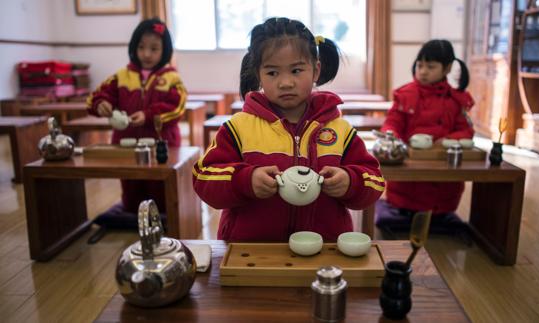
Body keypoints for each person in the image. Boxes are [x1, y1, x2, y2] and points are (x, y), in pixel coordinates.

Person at [193, 17, 385, 242]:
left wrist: (350, 181)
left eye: (296, 70)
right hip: (250, 252)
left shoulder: (339, 130)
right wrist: (245, 180)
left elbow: (375, 180)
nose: (285, 83)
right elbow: (203, 178)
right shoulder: (239, 127)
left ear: (316, 71)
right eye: (272, 73)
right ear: (258, 75)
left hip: (324, 250)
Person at [87, 18, 187, 214]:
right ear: (134, 47)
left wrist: (149, 115)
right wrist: (101, 104)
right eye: (141, 47)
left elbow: (178, 107)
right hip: (125, 146)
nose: (147, 54)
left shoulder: (171, 78)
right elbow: (95, 97)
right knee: (131, 190)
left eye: (154, 48)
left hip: (161, 145)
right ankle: (132, 216)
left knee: (160, 192)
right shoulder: (121, 76)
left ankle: (162, 221)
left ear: (164, 51)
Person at [376, 39, 474, 234]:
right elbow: (393, 121)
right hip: (410, 167)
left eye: (431, 67)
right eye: (420, 65)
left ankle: (439, 214)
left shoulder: (455, 100)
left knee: (441, 198)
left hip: (441, 165)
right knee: (408, 195)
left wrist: (445, 141)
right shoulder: (405, 95)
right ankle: (407, 212)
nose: (423, 71)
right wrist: (391, 134)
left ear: (447, 69)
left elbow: (466, 131)